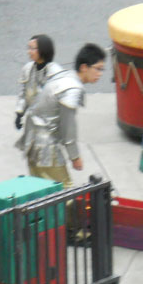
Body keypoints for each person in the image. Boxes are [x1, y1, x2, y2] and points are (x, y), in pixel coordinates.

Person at [18, 43, 105, 187]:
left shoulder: (65, 76)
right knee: (64, 191)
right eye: (98, 68)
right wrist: (74, 156)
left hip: (32, 140)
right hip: (45, 147)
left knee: (40, 190)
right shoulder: (73, 89)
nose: (100, 73)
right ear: (84, 67)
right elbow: (68, 126)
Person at [15, 34, 63, 132]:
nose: (29, 52)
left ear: (43, 50)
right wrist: (19, 114)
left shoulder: (55, 72)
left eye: (32, 48)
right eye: (28, 48)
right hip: (33, 122)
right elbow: (24, 94)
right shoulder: (27, 69)